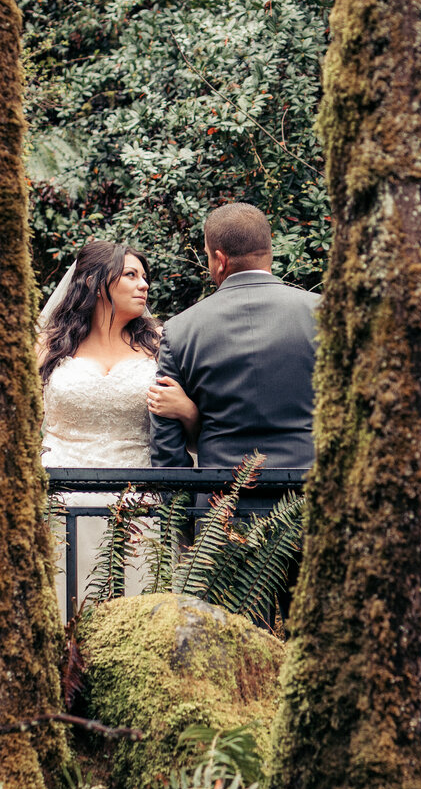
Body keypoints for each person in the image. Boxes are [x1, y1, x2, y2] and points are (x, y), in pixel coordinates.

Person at [37, 239, 198, 614]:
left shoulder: (160, 345)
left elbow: (192, 432)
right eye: (131, 275)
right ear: (96, 284)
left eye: (145, 277)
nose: (144, 285)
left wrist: (187, 410)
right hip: (60, 498)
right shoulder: (49, 345)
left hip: (139, 500)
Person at [149, 202, 319, 482]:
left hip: (222, 509)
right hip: (311, 500)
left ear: (220, 259)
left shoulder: (180, 329)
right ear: (270, 251)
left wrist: (183, 514)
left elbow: (167, 443)